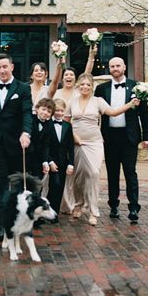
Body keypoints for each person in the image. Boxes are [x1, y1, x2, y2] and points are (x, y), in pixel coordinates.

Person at [64, 73, 139, 226]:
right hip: (77, 143)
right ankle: (78, 205)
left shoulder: (98, 101)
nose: (85, 87)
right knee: (78, 176)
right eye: (82, 84)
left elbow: (113, 112)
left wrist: (130, 104)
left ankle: (93, 211)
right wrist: (73, 136)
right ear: (78, 86)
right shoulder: (72, 101)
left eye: (88, 84)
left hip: (95, 143)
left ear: (92, 87)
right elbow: (66, 123)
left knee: (93, 173)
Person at [95, 57, 148, 223]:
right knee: (112, 174)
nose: (115, 68)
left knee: (130, 173)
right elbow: (96, 113)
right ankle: (113, 205)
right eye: (112, 66)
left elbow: (144, 114)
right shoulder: (101, 89)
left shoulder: (136, 87)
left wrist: (146, 137)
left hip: (129, 137)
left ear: (124, 67)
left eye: (118, 65)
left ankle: (134, 207)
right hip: (110, 137)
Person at [0, 53, 33, 241]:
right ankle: (1, 225)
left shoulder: (23, 88)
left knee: (18, 187)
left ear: (12, 67)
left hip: (17, 145)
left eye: (5, 66)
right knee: (0, 187)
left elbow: (27, 113)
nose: (2, 70)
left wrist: (26, 132)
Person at [56, 46, 96, 213]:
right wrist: (60, 60)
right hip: (59, 135)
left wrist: (91, 56)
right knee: (60, 167)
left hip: (76, 134)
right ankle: (60, 202)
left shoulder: (79, 92)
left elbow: (87, 74)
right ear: (63, 78)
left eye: (72, 75)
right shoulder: (56, 92)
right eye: (66, 75)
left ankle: (73, 202)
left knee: (75, 170)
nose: (69, 77)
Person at [46, 98, 74, 223]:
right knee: (53, 185)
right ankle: (47, 210)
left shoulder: (68, 126)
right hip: (51, 161)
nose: (59, 113)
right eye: (56, 110)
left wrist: (71, 163)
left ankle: (54, 213)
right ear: (52, 111)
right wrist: (49, 161)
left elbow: (70, 147)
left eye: (61, 111)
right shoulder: (48, 125)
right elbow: (45, 145)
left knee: (60, 187)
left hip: (63, 162)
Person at [28, 97, 55, 179]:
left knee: (37, 181)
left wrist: (45, 161)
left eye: (49, 111)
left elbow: (46, 144)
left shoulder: (49, 124)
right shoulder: (30, 119)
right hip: (26, 155)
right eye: (43, 109)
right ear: (37, 109)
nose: (45, 113)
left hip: (39, 158)